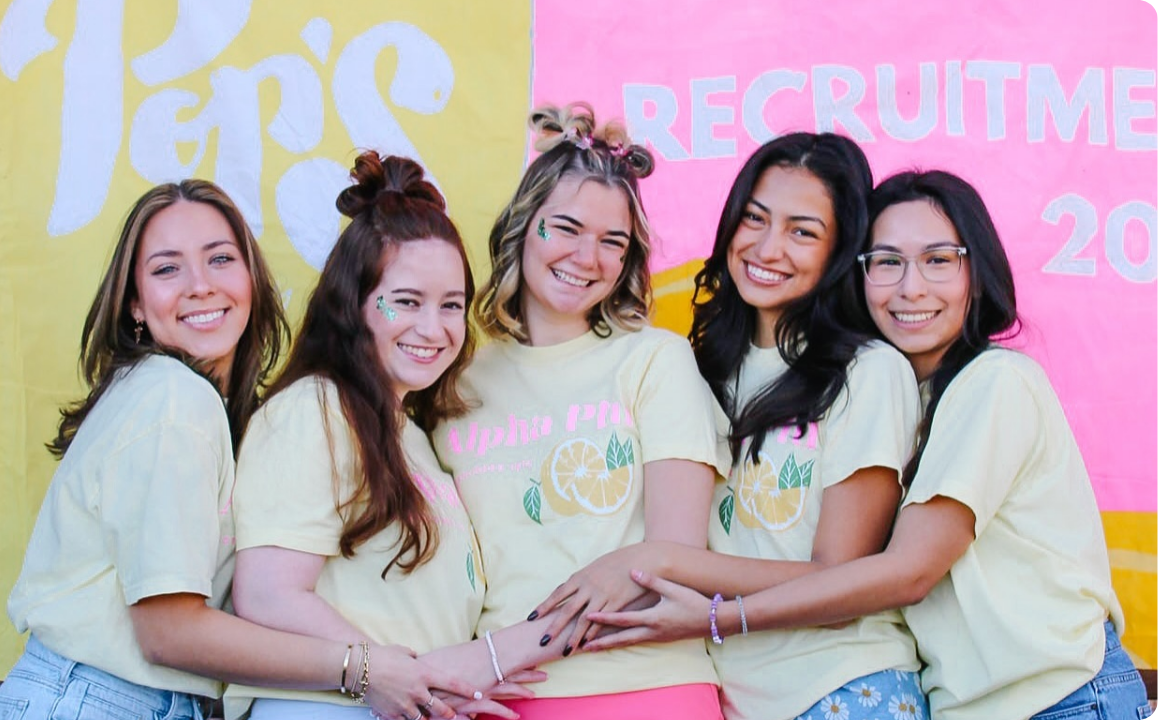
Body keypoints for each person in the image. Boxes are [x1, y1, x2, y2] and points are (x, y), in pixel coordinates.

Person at [585, 170, 1150, 720]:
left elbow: (908, 571)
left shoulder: (995, 382)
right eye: (886, 262)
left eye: (938, 260)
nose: (910, 287)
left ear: (978, 272)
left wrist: (717, 616)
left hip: (1062, 696)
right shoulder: (908, 392)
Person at [0, 180, 477, 720]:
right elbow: (168, 632)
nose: (200, 286)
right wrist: (365, 668)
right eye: (167, 269)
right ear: (135, 306)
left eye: (220, 259)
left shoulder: (190, 404)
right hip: (97, 700)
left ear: (251, 279)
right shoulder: (174, 399)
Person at [534, 132, 926, 720]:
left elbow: (839, 583)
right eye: (755, 218)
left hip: (845, 690)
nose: (768, 248)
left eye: (802, 232)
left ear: (840, 249)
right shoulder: (695, 368)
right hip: (733, 699)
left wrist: (659, 560)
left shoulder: (869, 372)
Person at [424, 103, 726, 720]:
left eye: (611, 241)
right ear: (523, 225)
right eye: (565, 228)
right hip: (498, 700)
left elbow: (670, 566)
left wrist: (498, 654)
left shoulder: (654, 362)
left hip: (645, 689)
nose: (586, 258)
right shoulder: (456, 379)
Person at [222, 152, 537, 720]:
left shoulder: (412, 433)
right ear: (355, 304)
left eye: (451, 306)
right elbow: (267, 594)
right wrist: (385, 674)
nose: (434, 328)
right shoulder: (314, 409)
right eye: (408, 302)